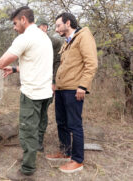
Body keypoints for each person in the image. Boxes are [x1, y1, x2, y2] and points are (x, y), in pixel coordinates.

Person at [0, 6, 53, 180]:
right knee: (38, 126)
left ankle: (27, 170)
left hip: (32, 93)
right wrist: (15, 69)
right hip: (45, 92)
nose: (14, 27)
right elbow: (36, 63)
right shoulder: (43, 36)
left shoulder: (25, 38)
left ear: (23, 19)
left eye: (15, 23)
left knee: (27, 131)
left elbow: (0, 62)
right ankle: (32, 155)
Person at [45, 13, 98, 173]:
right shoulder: (67, 42)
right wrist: (55, 84)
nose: (56, 29)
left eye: (58, 25)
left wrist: (83, 86)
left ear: (68, 23)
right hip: (61, 88)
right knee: (61, 122)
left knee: (74, 125)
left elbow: (91, 63)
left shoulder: (84, 36)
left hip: (74, 89)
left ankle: (77, 160)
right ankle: (66, 152)